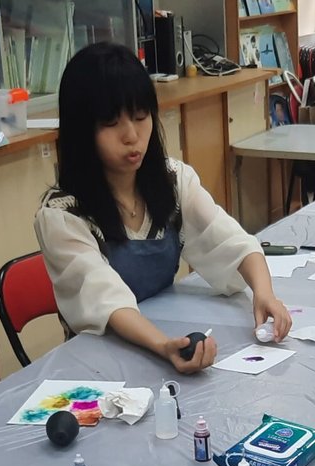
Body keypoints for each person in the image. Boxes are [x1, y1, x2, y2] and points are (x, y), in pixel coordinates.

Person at [35, 43, 292, 373]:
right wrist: (163, 346)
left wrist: (264, 293)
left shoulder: (173, 181)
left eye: (141, 116)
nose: (132, 135)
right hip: (102, 367)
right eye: (111, 122)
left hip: (164, 345)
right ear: (82, 131)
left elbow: (231, 241)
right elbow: (105, 301)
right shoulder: (62, 215)